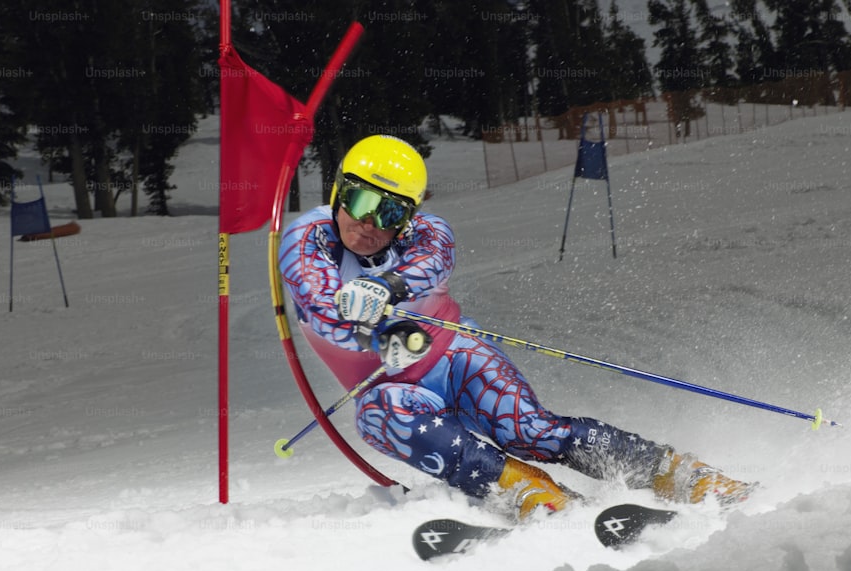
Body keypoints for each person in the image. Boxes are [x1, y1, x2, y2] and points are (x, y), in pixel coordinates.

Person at [279, 134, 753, 518]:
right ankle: (530, 493)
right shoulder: (309, 238)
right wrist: (373, 336)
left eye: (390, 213)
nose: (369, 223)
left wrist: (389, 287)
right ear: (339, 191)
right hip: (393, 385)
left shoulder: (428, 231)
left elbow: (433, 259)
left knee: (529, 431)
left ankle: (678, 474)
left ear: (407, 218)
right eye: (360, 201)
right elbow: (323, 310)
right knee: (378, 415)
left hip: (454, 356)